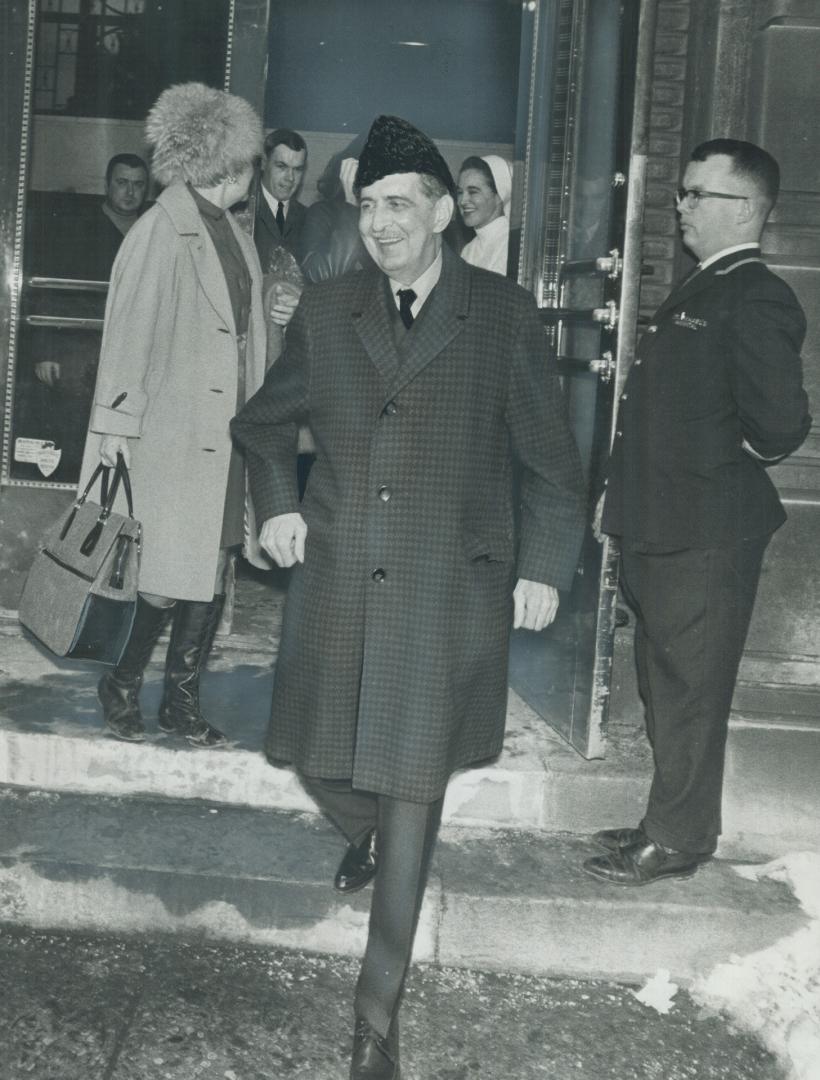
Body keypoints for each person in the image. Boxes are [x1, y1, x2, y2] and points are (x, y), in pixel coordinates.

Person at [231, 114, 586, 1079]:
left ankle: (375, 1019)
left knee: (413, 783)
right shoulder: (328, 309)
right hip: (341, 578)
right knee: (312, 756)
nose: (380, 223)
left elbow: (552, 467)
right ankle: (373, 837)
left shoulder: (505, 315)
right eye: (367, 207)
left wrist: (545, 568)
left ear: (441, 210)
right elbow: (261, 426)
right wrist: (276, 510)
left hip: (445, 590)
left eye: (398, 204)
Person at [584, 139, 811, 887]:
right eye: (682, 192)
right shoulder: (705, 286)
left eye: (696, 194)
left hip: (706, 533)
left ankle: (679, 839)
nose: (680, 206)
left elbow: (779, 426)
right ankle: (671, 822)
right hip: (663, 525)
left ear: (744, 208)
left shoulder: (755, 295)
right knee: (665, 683)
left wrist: (715, 461)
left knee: (690, 691)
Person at [80, 83, 295, 748]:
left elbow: (237, 327)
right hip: (171, 433)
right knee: (161, 575)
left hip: (224, 431)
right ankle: (120, 680)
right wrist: (114, 430)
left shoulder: (229, 228)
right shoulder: (162, 228)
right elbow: (127, 334)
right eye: (248, 160)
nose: (252, 170)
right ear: (223, 160)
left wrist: (275, 312)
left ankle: (180, 700)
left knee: (214, 562)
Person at [20, 154, 149, 480]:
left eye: (138, 185)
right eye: (122, 183)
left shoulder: (152, 232)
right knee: (75, 444)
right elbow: (50, 290)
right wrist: (46, 351)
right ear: (107, 185)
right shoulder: (77, 228)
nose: (130, 192)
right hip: (78, 355)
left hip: (133, 357)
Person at [253, 127, 307, 270]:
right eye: (282, 166)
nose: (290, 178)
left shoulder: (308, 218)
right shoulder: (242, 209)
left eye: (297, 169)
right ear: (264, 163)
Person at [457, 154, 514, 275]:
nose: (462, 201)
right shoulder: (468, 250)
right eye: (460, 192)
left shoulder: (510, 245)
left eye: (473, 192)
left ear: (499, 196)